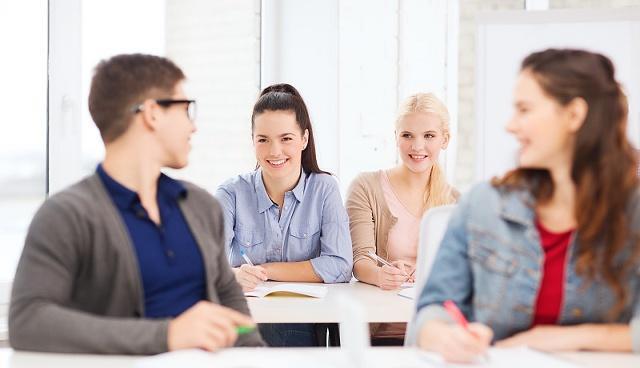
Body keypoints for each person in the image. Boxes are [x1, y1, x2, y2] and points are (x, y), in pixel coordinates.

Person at [9, 54, 263, 354]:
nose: (192, 127)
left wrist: (257, 356)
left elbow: (230, 304)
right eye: (185, 109)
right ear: (153, 113)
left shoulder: (201, 206)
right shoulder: (66, 215)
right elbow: (28, 321)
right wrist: (167, 335)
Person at [410, 48, 640, 363]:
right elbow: (432, 312)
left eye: (524, 109)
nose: (511, 125)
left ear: (574, 115)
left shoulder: (633, 211)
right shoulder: (483, 205)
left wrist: (558, 339)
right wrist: (444, 335)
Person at [215, 83, 352, 346]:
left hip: (299, 322)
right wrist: (233, 275)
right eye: (263, 140)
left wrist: (267, 270)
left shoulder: (324, 189)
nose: (274, 151)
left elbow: (340, 264)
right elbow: (206, 266)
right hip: (243, 321)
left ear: (304, 139)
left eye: (286, 138)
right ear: (252, 141)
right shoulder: (230, 193)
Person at [346, 93, 457, 344]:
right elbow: (359, 259)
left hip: (436, 334)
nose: (417, 146)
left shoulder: (456, 203)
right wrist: (379, 275)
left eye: (429, 136)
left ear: (445, 139)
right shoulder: (366, 187)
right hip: (379, 332)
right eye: (407, 135)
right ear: (396, 136)